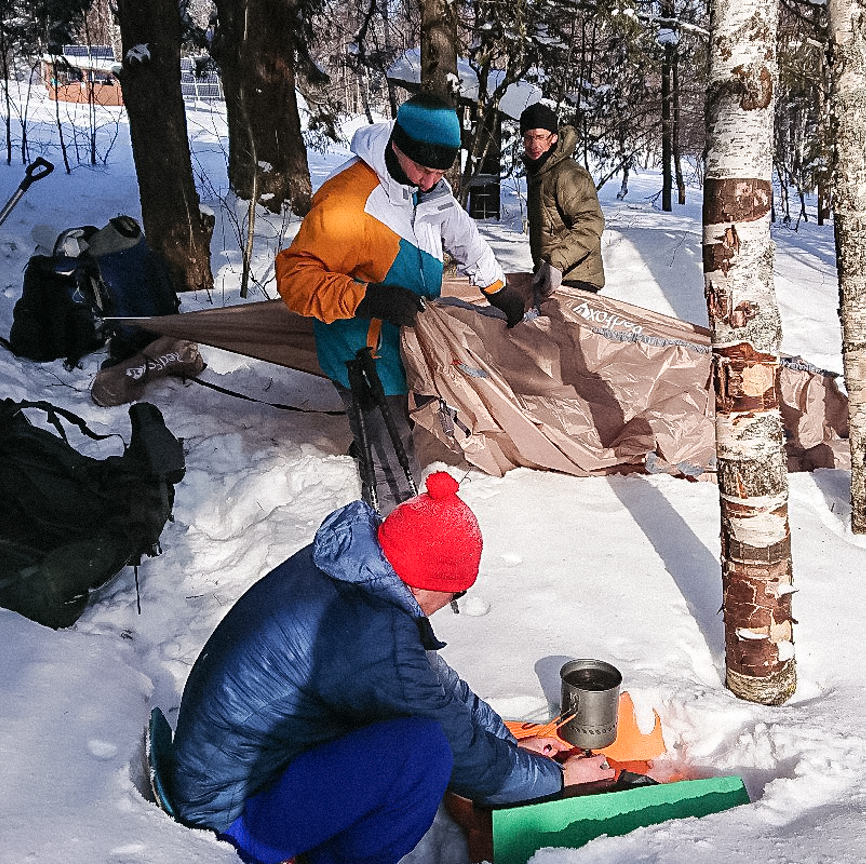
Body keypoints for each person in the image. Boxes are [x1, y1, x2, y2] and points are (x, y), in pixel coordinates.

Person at [166, 472, 613, 864]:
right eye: (452, 595)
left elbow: (436, 685)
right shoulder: (372, 636)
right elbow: (466, 760)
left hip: (230, 769)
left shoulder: (355, 570)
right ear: (431, 587)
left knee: (424, 734)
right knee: (424, 752)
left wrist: (509, 741)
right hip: (231, 813)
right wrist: (558, 779)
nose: (444, 608)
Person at [276, 94, 529, 511]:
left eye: (440, 171)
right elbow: (295, 280)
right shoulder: (348, 202)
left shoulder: (427, 186)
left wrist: (497, 288)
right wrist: (367, 296)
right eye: (423, 169)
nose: (431, 181)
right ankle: (396, 537)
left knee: (403, 425)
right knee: (394, 460)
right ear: (397, 145)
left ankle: (371, 457)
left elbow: (462, 233)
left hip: (408, 339)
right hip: (364, 353)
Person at [519, 102, 606, 297]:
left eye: (540, 137)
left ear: (553, 138)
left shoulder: (568, 174)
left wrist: (557, 262)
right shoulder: (539, 171)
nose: (534, 145)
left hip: (576, 278)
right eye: (528, 138)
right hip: (552, 274)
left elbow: (591, 224)